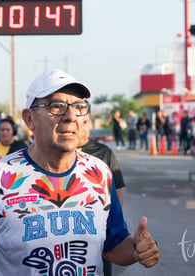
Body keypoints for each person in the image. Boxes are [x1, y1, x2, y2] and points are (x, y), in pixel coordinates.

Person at [0, 69, 159, 276]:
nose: (71, 116)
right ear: (29, 119)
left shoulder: (99, 173)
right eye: (56, 106)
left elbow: (113, 245)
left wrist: (136, 249)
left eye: (79, 106)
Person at [79, 113, 127, 276]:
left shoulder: (103, 153)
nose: (81, 127)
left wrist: (113, 221)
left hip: (98, 231)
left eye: (85, 122)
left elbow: (117, 190)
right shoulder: (59, 153)